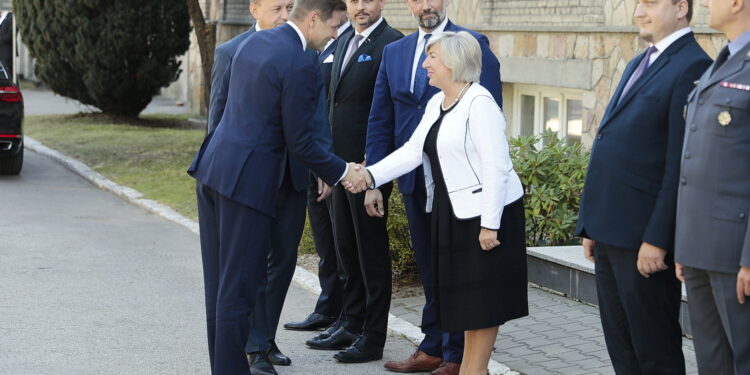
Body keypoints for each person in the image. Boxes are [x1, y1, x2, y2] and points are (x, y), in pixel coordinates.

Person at [186, 0, 369, 372]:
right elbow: (301, 142)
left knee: (220, 289)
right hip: (247, 186)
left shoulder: (253, 43)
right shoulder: (302, 61)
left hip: (213, 173)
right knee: (238, 290)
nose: (336, 36)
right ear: (314, 18)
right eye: (335, 27)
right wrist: (344, 172)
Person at [359, 31, 527, 375]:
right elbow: (411, 151)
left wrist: (490, 225)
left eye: (432, 57)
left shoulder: (480, 104)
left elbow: (496, 167)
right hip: (454, 212)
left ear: (453, 62)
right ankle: (469, 367)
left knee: (483, 304)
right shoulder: (440, 102)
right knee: (466, 303)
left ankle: (474, 370)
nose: (425, 64)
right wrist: (370, 176)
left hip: (486, 215)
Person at [575, 0, 711, 373]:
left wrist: (658, 238)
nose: (638, 11)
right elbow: (608, 142)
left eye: (649, 3)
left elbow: (678, 163)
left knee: (654, 352)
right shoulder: (640, 62)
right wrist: (592, 223)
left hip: (643, 241)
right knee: (622, 348)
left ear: (681, 7)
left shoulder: (692, 65)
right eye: (637, 3)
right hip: (610, 232)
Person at [205, 1, 328, 374]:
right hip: (244, 178)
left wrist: (323, 167)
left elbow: (315, 114)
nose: (283, 14)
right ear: (253, 8)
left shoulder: (306, 53)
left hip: (291, 175)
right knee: (246, 266)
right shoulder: (233, 50)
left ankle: (264, 336)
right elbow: (220, 113)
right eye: (276, 7)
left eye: (289, 6)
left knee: (282, 260)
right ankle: (252, 348)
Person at [305, 0, 403, 364]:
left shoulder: (392, 44)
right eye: (354, 0)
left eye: (369, 0)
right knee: (346, 250)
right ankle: (351, 321)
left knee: (370, 255)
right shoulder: (345, 40)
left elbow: (388, 113)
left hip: (368, 173)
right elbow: (331, 105)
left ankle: (373, 336)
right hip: (339, 171)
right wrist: (328, 167)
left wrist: (375, 173)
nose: (361, 6)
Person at [674, 0, 750, 373]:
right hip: (700, 248)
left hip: (735, 254)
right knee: (712, 362)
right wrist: (683, 243)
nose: (704, 3)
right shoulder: (722, 60)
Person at [284, 19, 353, 334]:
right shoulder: (311, 41)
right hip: (311, 157)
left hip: (336, 160)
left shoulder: (351, 39)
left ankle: (345, 313)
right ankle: (327, 306)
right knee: (324, 238)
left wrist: (329, 163)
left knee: (342, 242)